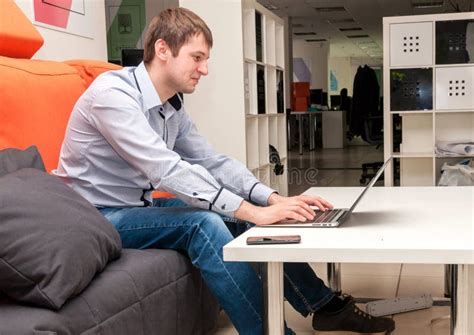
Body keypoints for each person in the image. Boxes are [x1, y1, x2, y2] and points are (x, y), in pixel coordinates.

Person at [53, 7, 395, 335]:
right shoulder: (112, 95)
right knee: (204, 222)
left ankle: (326, 307)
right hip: (95, 218)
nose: (204, 69)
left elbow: (211, 160)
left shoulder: (170, 105)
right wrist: (252, 211)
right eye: (197, 57)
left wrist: (271, 200)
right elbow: (165, 169)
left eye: (206, 60)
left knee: (242, 216)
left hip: (134, 207)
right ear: (162, 49)